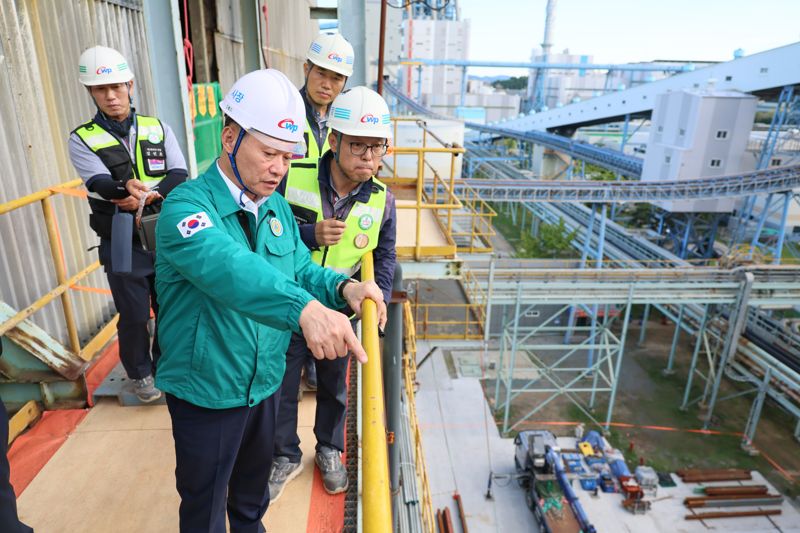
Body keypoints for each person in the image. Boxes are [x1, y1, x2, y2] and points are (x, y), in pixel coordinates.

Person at [151, 68, 386, 533]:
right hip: (208, 390)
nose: (279, 168)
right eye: (269, 153)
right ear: (230, 136)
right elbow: (231, 270)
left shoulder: (275, 206)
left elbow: (299, 267)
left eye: (288, 155)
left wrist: (344, 289)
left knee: (251, 499)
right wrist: (302, 310)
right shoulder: (185, 209)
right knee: (204, 505)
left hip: (263, 384)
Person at [270, 86, 397, 500]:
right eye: (358, 145)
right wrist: (309, 233)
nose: (368, 157)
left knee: (334, 386)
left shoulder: (382, 201)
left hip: (340, 311)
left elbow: (385, 255)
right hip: (289, 302)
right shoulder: (293, 175)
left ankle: (329, 448)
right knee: (282, 384)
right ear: (335, 140)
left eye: (376, 147)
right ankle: (284, 454)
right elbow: (265, 230)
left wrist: (378, 295)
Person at [68, 45, 188, 403]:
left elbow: (179, 173)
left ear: (130, 85)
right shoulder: (82, 138)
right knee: (134, 313)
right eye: (101, 89)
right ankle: (139, 373)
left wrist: (147, 195)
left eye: (117, 86)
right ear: (91, 92)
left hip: (162, 235)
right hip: (121, 238)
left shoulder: (157, 127)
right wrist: (123, 189)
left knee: (170, 306)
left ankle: (166, 366)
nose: (111, 95)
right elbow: (97, 183)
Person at [291, 32, 355, 390]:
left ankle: (316, 364)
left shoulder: (345, 122)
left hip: (330, 230)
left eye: (336, 78)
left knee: (325, 289)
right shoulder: (284, 113)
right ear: (306, 69)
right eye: (321, 74)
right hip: (289, 228)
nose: (327, 84)